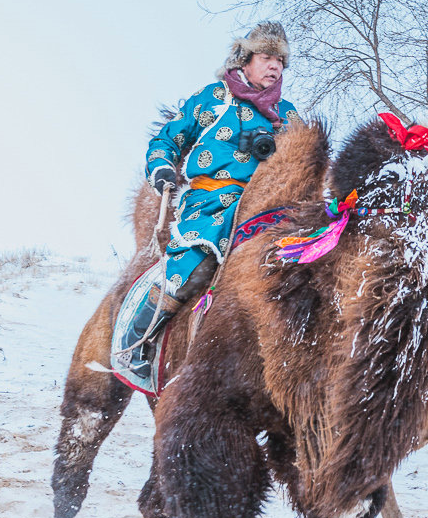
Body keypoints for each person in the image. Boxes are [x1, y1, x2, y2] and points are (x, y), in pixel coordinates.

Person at [113, 21, 300, 392]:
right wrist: (163, 166)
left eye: (280, 60)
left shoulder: (289, 115)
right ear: (245, 60)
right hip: (213, 201)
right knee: (196, 259)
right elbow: (167, 139)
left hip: (272, 210)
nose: (275, 66)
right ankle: (137, 343)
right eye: (267, 57)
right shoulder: (213, 98)